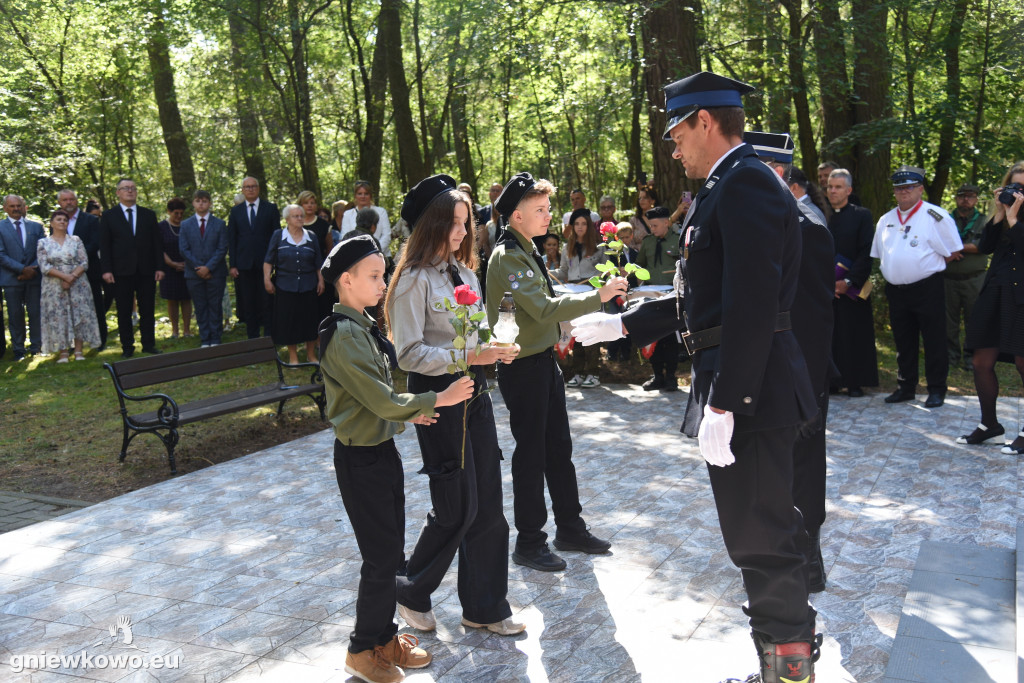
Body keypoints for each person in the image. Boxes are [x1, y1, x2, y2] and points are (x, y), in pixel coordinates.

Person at [571, 72, 822, 682]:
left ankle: (789, 673)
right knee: (751, 531)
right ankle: (779, 667)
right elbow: (698, 293)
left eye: (678, 133)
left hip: (752, 390)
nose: (673, 147)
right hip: (739, 385)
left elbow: (753, 304)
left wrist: (727, 401)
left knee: (762, 534)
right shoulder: (724, 187)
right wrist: (625, 324)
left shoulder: (745, 187)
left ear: (704, 122)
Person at [319, 234, 474, 683]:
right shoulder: (345, 335)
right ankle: (361, 651)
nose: (382, 283)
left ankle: (384, 638)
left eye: (382, 274)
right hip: (360, 460)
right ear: (346, 281)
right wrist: (436, 398)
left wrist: (416, 411)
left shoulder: (362, 326)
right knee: (380, 557)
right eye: (373, 276)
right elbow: (382, 400)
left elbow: (381, 401)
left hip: (379, 452)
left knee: (390, 554)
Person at [384, 174, 524, 638]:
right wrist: (470, 355)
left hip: (476, 393)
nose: (463, 232)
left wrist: (496, 346)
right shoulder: (411, 281)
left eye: (467, 223)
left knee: (487, 504)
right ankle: (409, 589)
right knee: (456, 505)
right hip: (438, 398)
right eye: (454, 224)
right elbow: (408, 353)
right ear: (431, 226)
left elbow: (475, 334)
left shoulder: (464, 273)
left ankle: (484, 606)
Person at [485, 172, 626, 572]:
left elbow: (552, 294)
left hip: (544, 364)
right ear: (516, 215)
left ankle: (570, 527)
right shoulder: (507, 256)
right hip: (522, 368)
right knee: (531, 456)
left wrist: (592, 291)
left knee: (558, 452)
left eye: (549, 209)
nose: (549, 216)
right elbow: (544, 309)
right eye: (540, 210)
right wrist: (598, 297)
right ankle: (529, 542)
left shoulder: (526, 249)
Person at [747, 130, 837, 595]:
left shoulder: (806, 225)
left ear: (774, 171)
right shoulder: (763, 219)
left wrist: (812, 390)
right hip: (764, 372)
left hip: (798, 374)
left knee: (802, 464)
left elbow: (815, 318)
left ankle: (809, 557)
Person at [872, 166, 963, 407]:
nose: (903, 192)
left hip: (927, 288)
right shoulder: (886, 219)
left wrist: (923, 265)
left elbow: (954, 251)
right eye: (899, 188)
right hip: (896, 290)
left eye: (909, 187)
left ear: (920, 189)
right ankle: (906, 387)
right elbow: (880, 254)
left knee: (933, 340)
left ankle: (936, 389)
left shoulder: (936, 216)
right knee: (903, 341)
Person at [957, 164, 1024, 454]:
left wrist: (1013, 217)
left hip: (1022, 296)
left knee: (1023, 363)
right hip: (995, 291)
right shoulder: (1003, 213)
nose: (1017, 192)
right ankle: (990, 425)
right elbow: (985, 247)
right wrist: (1000, 212)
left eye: (1023, 187)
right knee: (981, 361)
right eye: (1014, 186)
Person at [99, 179, 165, 357]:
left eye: (133, 188)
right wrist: (106, 270)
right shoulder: (109, 216)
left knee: (147, 309)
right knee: (124, 310)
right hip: (120, 271)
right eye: (125, 188)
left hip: (146, 270)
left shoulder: (148, 215)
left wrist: (160, 267)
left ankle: (149, 344)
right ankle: (127, 346)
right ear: (118, 193)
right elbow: (104, 245)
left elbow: (157, 244)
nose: (130, 191)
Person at [826, 168, 878, 396]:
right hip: (825, 289)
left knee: (853, 334)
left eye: (838, 187)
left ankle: (855, 382)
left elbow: (867, 251)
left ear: (849, 190)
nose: (833, 191)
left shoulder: (861, 215)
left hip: (852, 288)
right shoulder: (820, 214)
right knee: (830, 336)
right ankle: (831, 382)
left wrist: (848, 280)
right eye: (829, 186)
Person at [551, 208, 609, 388]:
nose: (580, 227)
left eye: (584, 224)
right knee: (575, 331)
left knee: (591, 331)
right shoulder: (567, 247)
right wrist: (546, 273)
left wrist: (600, 281)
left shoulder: (599, 247)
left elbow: (606, 270)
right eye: (576, 224)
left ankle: (593, 373)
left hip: (592, 292)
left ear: (589, 226)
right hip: (573, 292)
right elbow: (562, 272)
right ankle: (577, 373)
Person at [36, 210, 101, 362]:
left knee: (78, 315)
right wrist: (64, 277)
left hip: (78, 283)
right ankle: (63, 351)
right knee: (59, 316)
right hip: (54, 285)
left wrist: (71, 277)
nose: (62, 222)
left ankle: (79, 351)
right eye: (58, 219)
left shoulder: (75, 240)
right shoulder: (43, 243)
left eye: (65, 220)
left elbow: (84, 262)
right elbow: (44, 266)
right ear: (51, 223)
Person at [264, 204, 324, 364]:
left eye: (301, 216)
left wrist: (321, 280)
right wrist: (267, 279)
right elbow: (268, 261)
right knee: (289, 321)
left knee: (309, 321)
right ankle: (293, 357)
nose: (299, 219)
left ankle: (311, 355)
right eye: (295, 216)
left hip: (308, 285)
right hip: (285, 285)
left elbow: (318, 262)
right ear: (287, 219)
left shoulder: (311, 236)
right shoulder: (278, 236)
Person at [635, 206, 681, 391]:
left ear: (666, 223)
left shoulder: (677, 240)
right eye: (650, 226)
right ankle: (657, 375)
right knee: (653, 336)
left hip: (671, 294)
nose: (652, 229)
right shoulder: (648, 242)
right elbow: (639, 265)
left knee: (670, 337)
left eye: (655, 225)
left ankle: (671, 376)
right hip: (651, 296)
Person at [228, 176, 280, 339]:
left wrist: (274, 262)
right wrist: (233, 264)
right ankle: (253, 337)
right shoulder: (236, 211)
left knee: (267, 301)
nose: (250, 189)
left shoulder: (270, 208)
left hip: (266, 263)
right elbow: (232, 238)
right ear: (243, 190)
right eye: (247, 187)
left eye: (253, 186)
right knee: (249, 302)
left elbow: (276, 235)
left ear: (258, 189)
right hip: (244, 264)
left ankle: (270, 336)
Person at [945, 183, 989, 371]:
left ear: (976, 199)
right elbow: (935, 243)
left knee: (974, 320)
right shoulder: (944, 220)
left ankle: (972, 358)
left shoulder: (985, 221)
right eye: (962, 196)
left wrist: (957, 248)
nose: (966, 199)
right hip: (947, 278)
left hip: (975, 278)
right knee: (948, 321)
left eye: (970, 196)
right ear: (956, 198)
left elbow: (984, 245)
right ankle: (950, 357)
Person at [57, 189, 106, 350]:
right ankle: (73, 344)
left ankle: (100, 341)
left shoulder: (90, 220)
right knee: (69, 309)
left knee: (95, 306)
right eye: (65, 200)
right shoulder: (57, 220)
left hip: (89, 270)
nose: (68, 202)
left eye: (71, 199)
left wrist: (76, 258)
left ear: (76, 201)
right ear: (60, 203)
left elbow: (96, 242)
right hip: (65, 274)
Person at [179, 190, 228, 348]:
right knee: (200, 306)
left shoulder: (219, 224)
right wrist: (198, 268)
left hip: (215, 272)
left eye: (205, 201)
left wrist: (208, 267)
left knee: (215, 305)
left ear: (210, 203)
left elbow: (222, 248)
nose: (201, 203)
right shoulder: (185, 225)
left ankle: (216, 338)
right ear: (193, 203)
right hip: (193, 274)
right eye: (198, 200)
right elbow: (184, 249)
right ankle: (205, 338)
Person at [0, 195, 44, 360]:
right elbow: (1, 254)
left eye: (19, 205)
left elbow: (42, 250)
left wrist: (31, 269)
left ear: (24, 206)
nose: (16, 208)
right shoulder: (0, 227)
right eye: (12, 206)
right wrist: (21, 270)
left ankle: (36, 347)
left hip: (34, 277)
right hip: (11, 279)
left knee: (35, 313)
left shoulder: (36, 227)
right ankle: (18, 349)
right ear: (5, 208)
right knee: (15, 314)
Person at [158, 198, 193, 339]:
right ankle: (175, 330)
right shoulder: (161, 227)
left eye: (181, 214)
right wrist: (172, 263)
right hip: (169, 268)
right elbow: (159, 248)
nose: (179, 216)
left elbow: (193, 245)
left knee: (186, 298)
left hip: (187, 266)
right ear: (169, 212)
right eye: (176, 213)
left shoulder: (188, 226)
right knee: (172, 299)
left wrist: (186, 263)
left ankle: (187, 330)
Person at [298, 190, 335, 320]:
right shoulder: (296, 224)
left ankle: (323, 337)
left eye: (312, 203)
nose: (309, 205)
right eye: (306, 203)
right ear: (300, 205)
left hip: (321, 271)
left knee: (323, 309)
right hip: (301, 272)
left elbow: (330, 250)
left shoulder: (324, 225)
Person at [342, 181, 392, 251]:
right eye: (359, 194)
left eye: (366, 194)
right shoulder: (348, 214)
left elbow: (386, 235)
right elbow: (345, 236)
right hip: (356, 255)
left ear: (370, 196)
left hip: (380, 253)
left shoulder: (381, 212)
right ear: (355, 196)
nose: (363, 196)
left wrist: (375, 251)